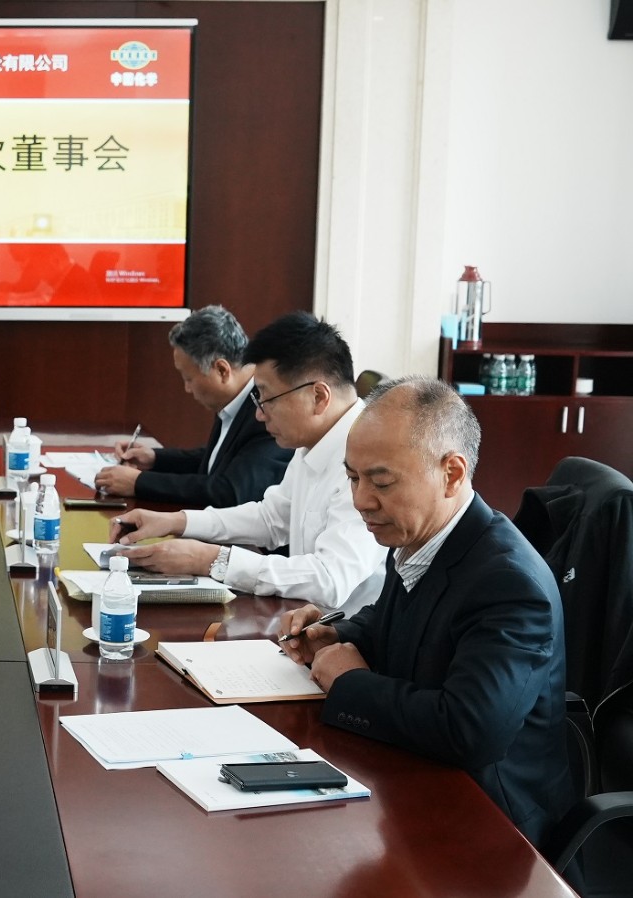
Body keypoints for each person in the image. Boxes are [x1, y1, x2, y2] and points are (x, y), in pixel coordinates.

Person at [279, 377, 570, 844]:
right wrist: (338, 634)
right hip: (413, 777)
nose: (360, 501)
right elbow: (398, 621)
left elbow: (469, 731)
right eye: (352, 478)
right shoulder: (421, 535)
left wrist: (350, 682)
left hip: (490, 826)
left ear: (451, 474)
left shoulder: (510, 584)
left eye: (381, 482)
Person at [110, 312, 383, 613]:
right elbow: (271, 519)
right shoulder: (314, 441)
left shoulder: (369, 459)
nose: (259, 414)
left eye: (267, 398)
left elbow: (330, 579)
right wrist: (176, 521)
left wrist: (211, 560)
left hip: (344, 632)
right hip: (303, 620)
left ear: (318, 396)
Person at [94, 305, 291, 506]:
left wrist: (139, 482)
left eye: (188, 378)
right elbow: (218, 460)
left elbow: (230, 491)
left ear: (222, 370)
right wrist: (155, 458)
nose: (187, 388)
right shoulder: (237, 397)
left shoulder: (266, 410)